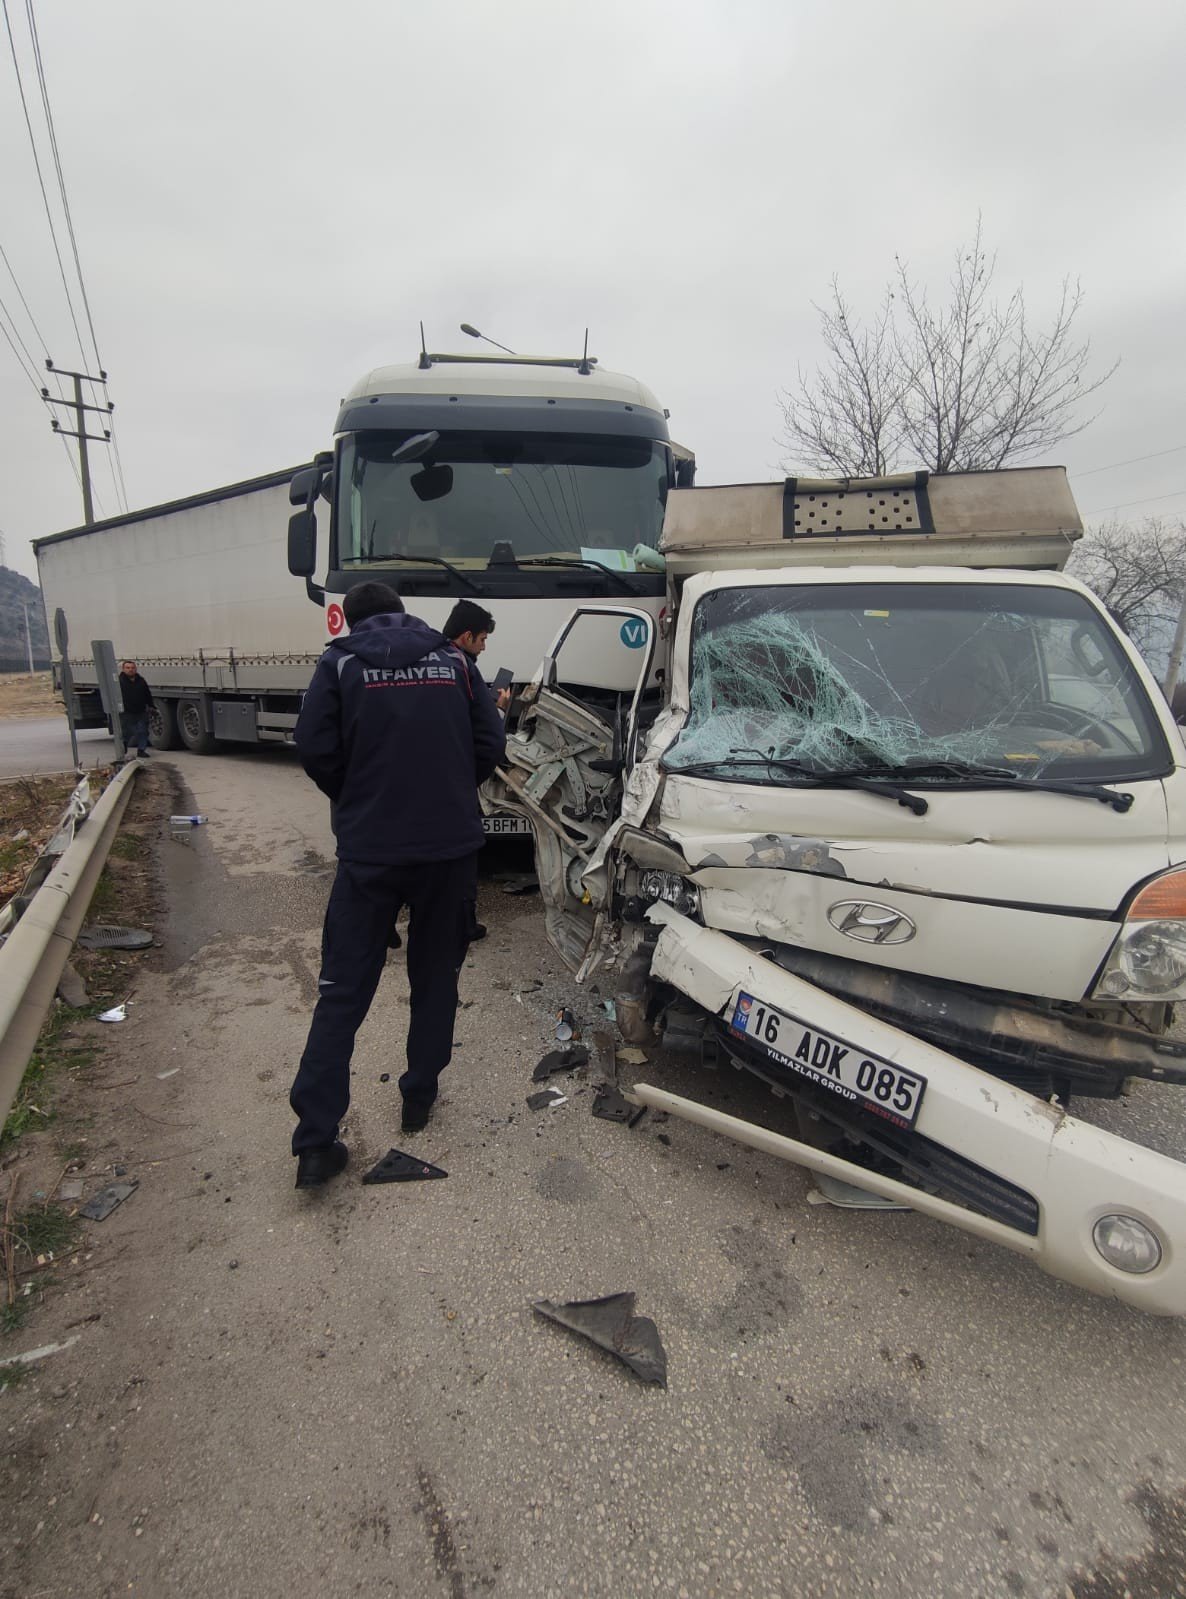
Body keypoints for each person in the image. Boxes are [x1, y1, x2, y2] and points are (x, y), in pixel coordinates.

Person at [289, 581, 505, 1188]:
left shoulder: (340, 663)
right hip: (448, 851)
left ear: (353, 621)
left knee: (342, 990)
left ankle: (315, 1142)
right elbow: (490, 744)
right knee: (435, 977)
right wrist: (448, 791)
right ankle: (418, 1098)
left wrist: (357, 796)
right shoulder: (456, 662)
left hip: (370, 853)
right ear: (400, 614)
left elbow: (314, 747)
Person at [443, 600, 512, 711]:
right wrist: (500, 708)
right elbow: (482, 726)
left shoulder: (437, 660)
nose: (484, 647)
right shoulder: (462, 671)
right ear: (468, 637)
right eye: (482, 639)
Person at [118, 660, 154, 757]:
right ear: (123, 669)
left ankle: (141, 750)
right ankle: (124, 744)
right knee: (127, 732)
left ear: (136, 669)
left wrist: (151, 705)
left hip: (141, 711)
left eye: (133, 668)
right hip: (126, 712)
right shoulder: (119, 681)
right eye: (128, 668)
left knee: (143, 731)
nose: (130, 670)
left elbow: (147, 693)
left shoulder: (141, 680)